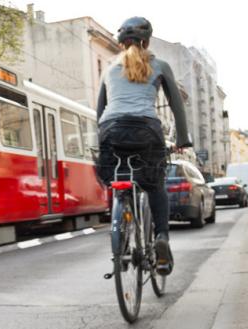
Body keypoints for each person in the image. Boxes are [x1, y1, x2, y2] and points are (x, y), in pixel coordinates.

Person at [96, 16, 191, 276]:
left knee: (118, 179)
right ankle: (161, 237)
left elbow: (100, 109)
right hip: (147, 131)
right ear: (146, 41)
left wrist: (102, 137)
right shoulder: (159, 65)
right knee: (154, 185)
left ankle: (121, 225)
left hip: (111, 131)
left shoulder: (109, 69)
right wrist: (183, 139)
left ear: (121, 44)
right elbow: (176, 105)